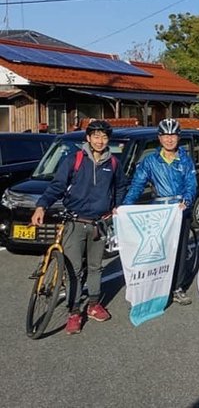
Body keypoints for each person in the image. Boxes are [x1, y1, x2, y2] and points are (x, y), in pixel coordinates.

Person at [31, 120, 127, 335]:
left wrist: (116, 206)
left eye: (104, 137)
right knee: (73, 271)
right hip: (74, 222)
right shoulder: (73, 160)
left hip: (99, 223)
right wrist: (41, 206)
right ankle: (74, 312)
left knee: (95, 267)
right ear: (88, 138)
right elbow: (57, 186)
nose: (100, 141)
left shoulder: (113, 163)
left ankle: (93, 304)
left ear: (108, 140)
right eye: (96, 136)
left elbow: (121, 186)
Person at [122, 118, 196, 306]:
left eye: (173, 135)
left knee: (179, 251)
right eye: (165, 136)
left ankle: (177, 288)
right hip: (161, 213)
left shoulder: (186, 160)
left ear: (178, 137)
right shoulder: (150, 161)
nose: (169, 139)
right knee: (156, 251)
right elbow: (137, 185)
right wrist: (125, 206)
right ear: (159, 138)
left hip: (180, 211)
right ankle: (155, 287)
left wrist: (186, 201)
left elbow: (191, 184)